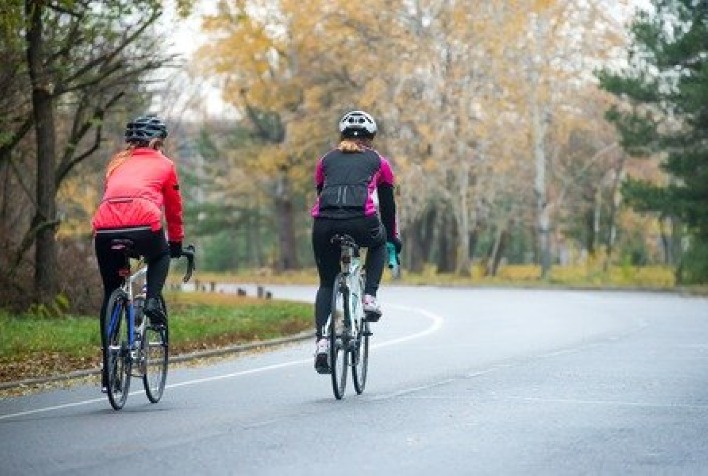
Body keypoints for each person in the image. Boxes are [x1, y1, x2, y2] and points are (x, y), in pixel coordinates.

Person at [92, 114, 184, 390]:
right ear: (156, 141)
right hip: (144, 225)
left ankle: (109, 369)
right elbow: (173, 208)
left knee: (112, 290)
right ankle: (152, 301)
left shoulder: (115, 163)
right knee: (161, 254)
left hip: (105, 229)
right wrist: (176, 242)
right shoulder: (165, 165)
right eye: (162, 143)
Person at [310, 110, 402, 374]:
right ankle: (369, 297)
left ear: (342, 136)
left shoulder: (325, 161)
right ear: (370, 138)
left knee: (327, 283)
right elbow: (388, 207)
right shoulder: (379, 162)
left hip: (324, 225)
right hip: (361, 222)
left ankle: (322, 341)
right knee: (379, 240)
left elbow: (321, 194)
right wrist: (392, 238)